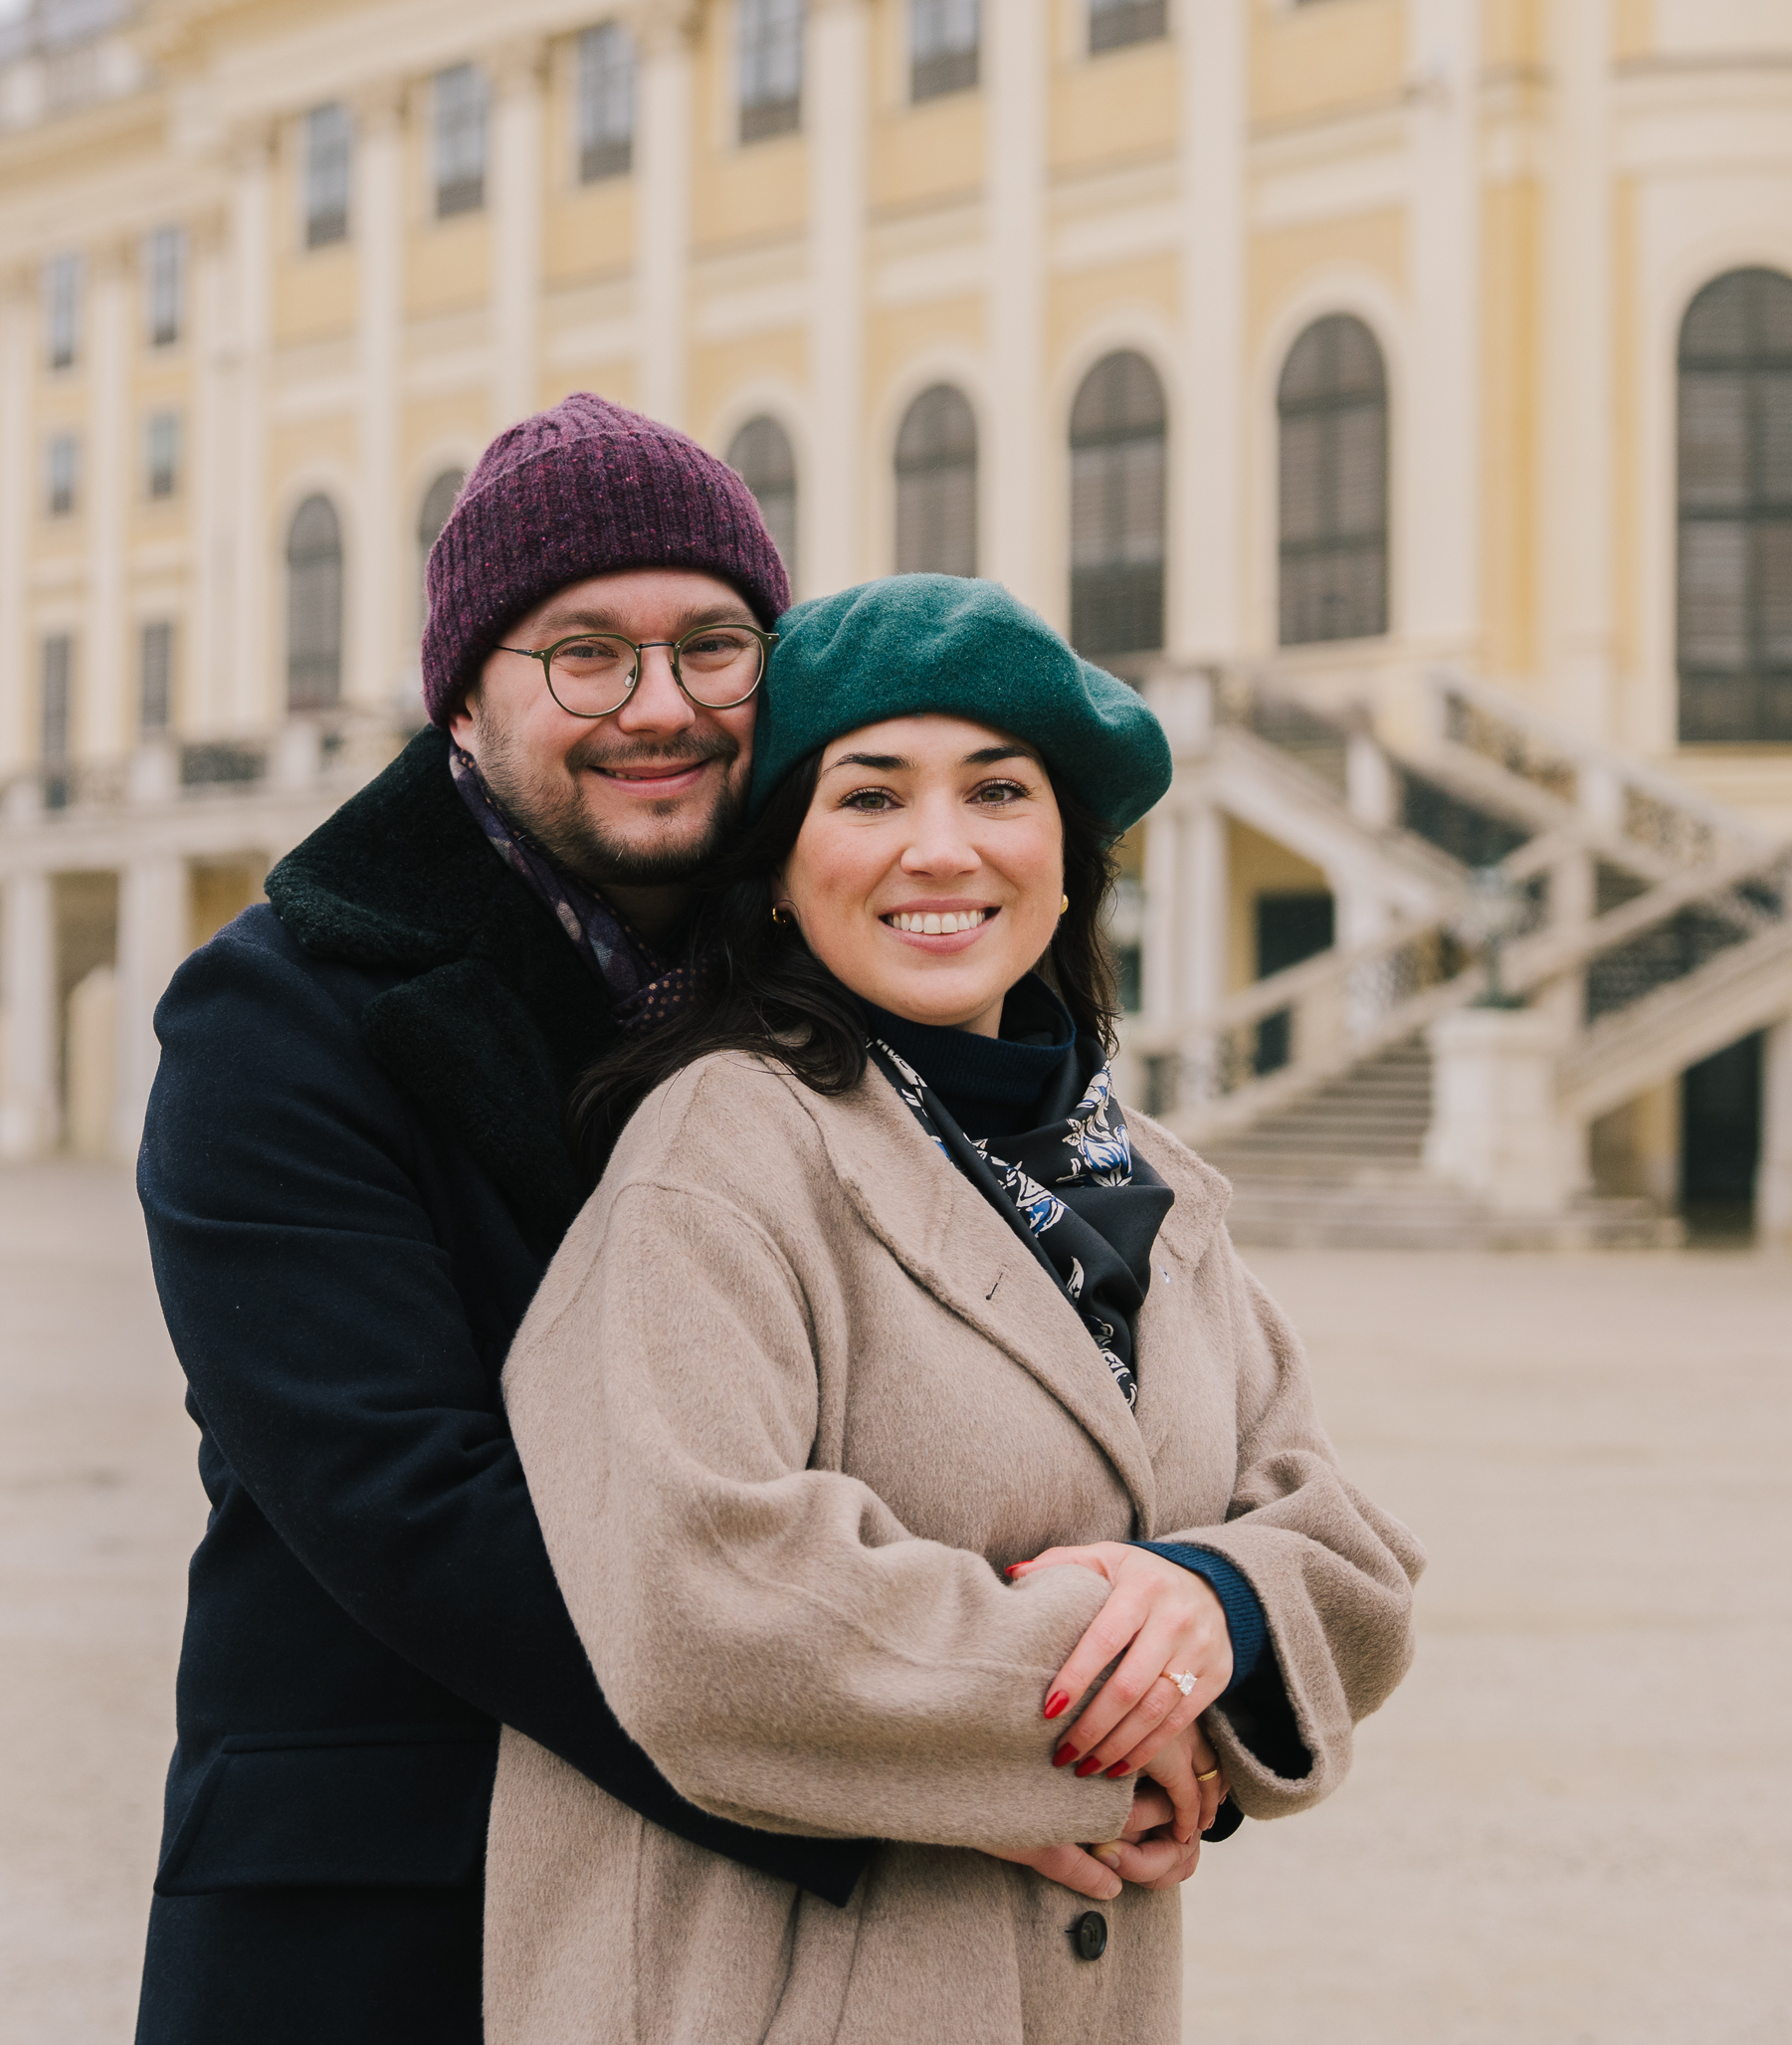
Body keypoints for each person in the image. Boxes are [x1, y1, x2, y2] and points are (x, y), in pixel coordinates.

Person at [129, 400, 1191, 2044]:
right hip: (391, 1893)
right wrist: (949, 1745)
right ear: (464, 699)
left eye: (714, 645)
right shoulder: (278, 1018)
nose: (662, 707)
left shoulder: (838, 960)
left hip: (763, 1922)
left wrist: (1191, 1645)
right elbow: (415, 1509)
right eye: (584, 656)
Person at [492, 573, 1424, 2045]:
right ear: (784, 867)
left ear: (1067, 860)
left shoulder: (1158, 1188)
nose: (941, 847)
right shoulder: (719, 1146)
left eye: (999, 790)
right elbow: (700, 1604)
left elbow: (1347, 1558)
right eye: (868, 799)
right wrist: (1119, 1713)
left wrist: (1219, 1602)